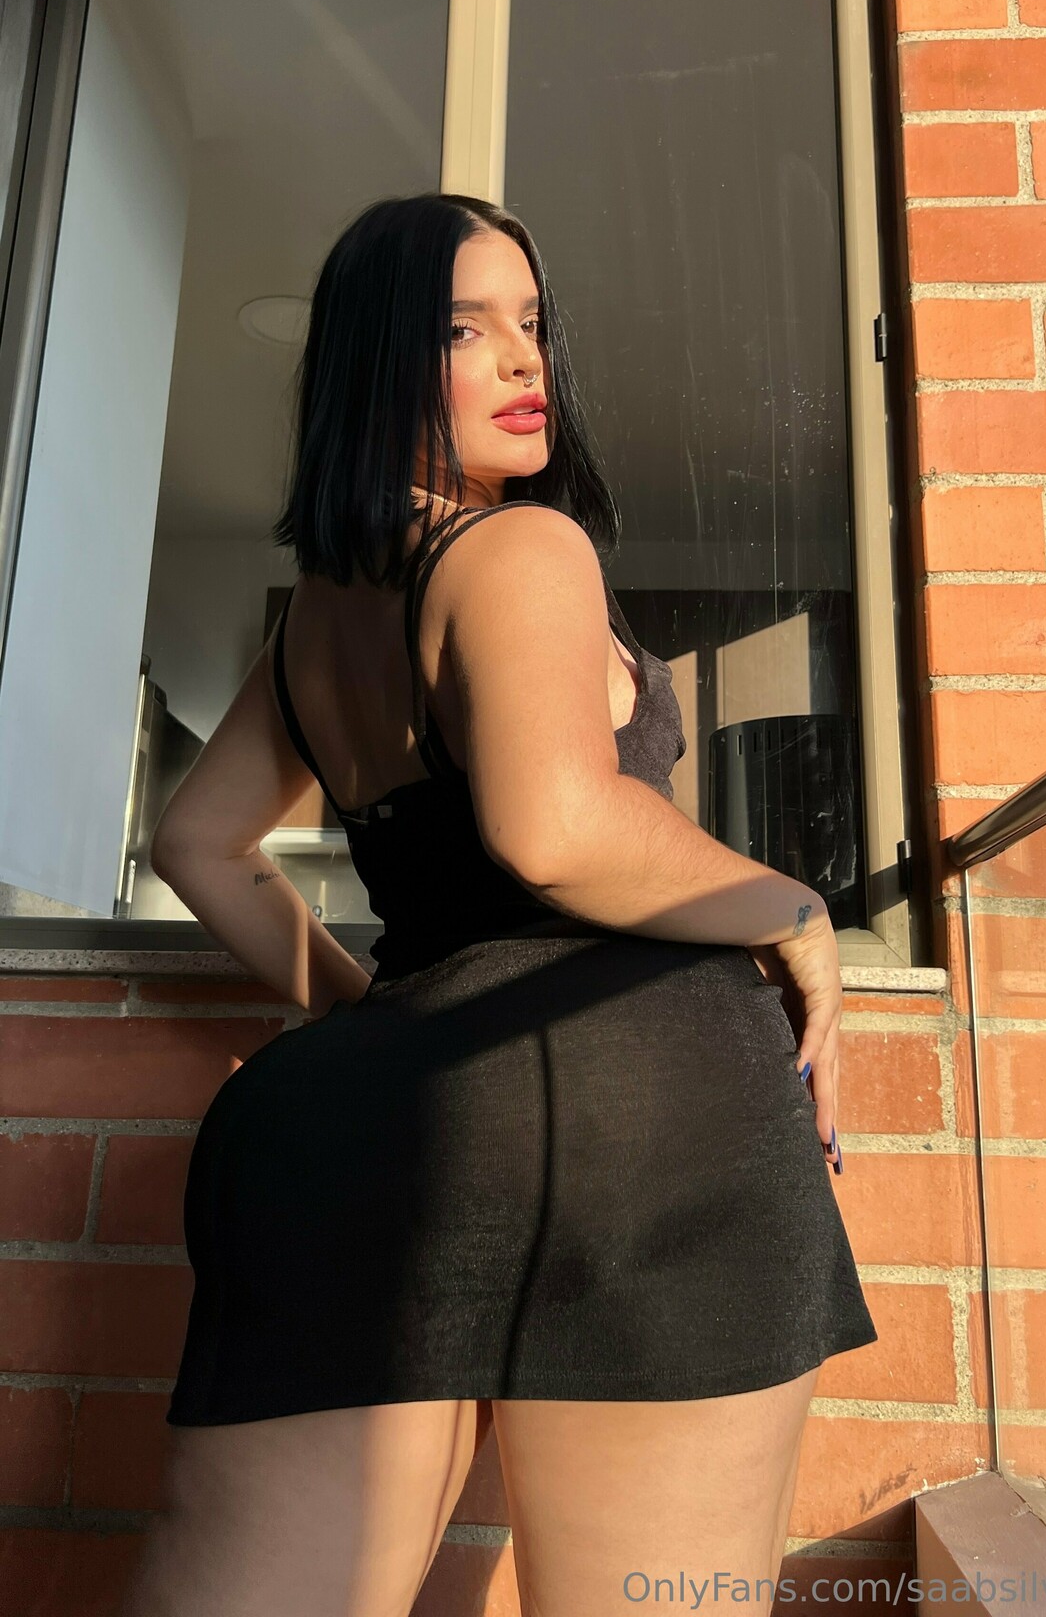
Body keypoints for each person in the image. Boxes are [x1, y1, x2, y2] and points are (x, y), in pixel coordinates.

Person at [120, 192, 878, 1617]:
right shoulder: (523, 550)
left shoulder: (320, 615)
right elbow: (557, 829)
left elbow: (198, 843)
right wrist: (792, 909)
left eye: (531, 323)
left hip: (360, 1136)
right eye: (465, 329)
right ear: (373, 361)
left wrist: (381, 1024)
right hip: (643, 1132)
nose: (525, 359)